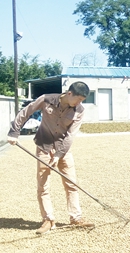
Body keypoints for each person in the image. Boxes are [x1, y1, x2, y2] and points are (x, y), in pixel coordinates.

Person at [7, 81, 95, 234]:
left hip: (63, 150)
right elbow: (25, 112)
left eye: (82, 100)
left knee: (72, 184)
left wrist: (59, 155)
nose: (80, 103)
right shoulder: (46, 99)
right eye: (78, 99)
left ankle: (76, 218)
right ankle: (48, 220)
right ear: (69, 94)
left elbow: (70, 135)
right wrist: (14, 133)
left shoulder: (79, 110)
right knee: (43, 186)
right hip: (44, 147)